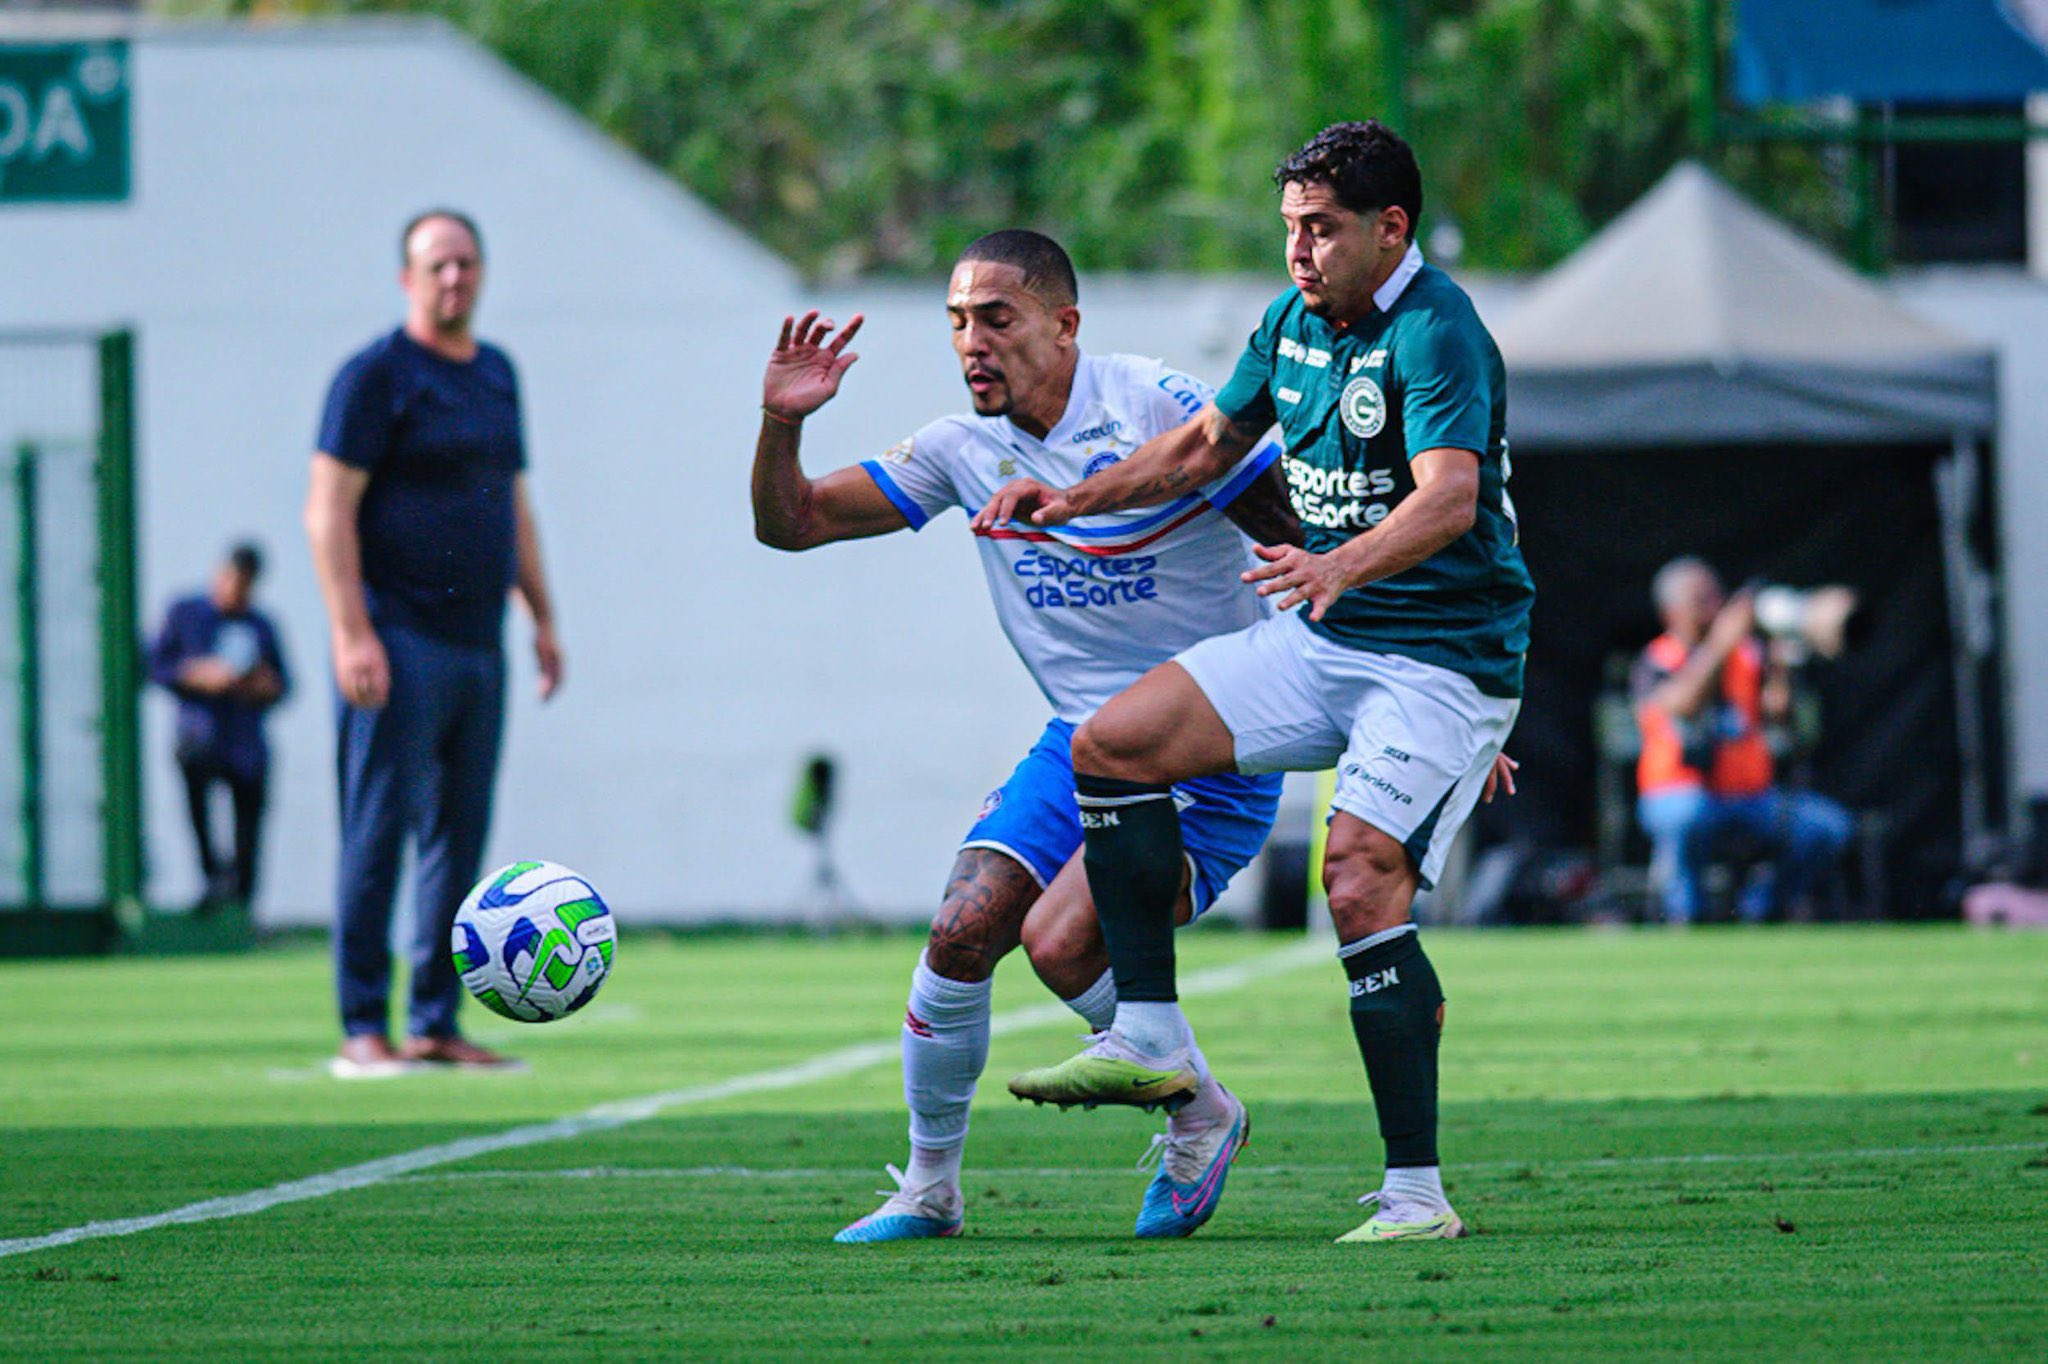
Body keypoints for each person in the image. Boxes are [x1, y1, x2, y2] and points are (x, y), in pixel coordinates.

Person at [980, 122, 1532, 1244]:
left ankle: (1415, 1195)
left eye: (1321, 230)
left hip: (1437, 660)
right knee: (1112, 740)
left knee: (1358, 880)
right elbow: (1199, 446)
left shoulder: (1437, 331)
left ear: (1391, 229)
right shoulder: (1289, 322)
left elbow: (1447, 501)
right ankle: (1144, 1031)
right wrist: (1072, 499)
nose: (1299, 250)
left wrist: (1330, 563)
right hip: (1329, 639)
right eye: (1288, 226)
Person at [752, 229, 1305, 1243]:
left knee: (1059, 943)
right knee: (961, 929)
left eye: (996, 318)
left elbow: (1297, 533)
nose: (972, 342)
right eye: (957, 321)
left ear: (1064, 325)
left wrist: (1404, 674)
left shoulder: (1157, 405)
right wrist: (778, 424)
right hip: (1078, 740)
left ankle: (1199, 1110)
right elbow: (791, 523)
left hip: (1209, 742)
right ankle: (928, 1187)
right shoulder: (960, 449)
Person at [306, 209, 565, 1078]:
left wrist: (542, 617)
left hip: (477, 642)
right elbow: (327, 509)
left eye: (465, 263)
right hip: (398, 636)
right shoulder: (375, 376)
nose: (453, 279)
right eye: (436, 266)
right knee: (377, 832)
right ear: (406, 279)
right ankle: (361, 1029)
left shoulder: (496, 373)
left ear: (482, 272)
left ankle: (433, 1024)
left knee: (458, 838)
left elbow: (514, 505)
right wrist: (352, 631)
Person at [1633, 557, 1852, 924]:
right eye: (1700, 601)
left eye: (1716, 599)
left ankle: (1761, 909)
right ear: (1671, 613)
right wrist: (1720, 645)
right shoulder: (1656, 660)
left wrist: (1781, 666)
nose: (1714, 610)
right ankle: (1688, 916)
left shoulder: (1746, 656)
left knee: (1826, 827)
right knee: (1689, 817)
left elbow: (1783, 723)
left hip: (1749, 797)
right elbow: (1682, 705)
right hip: (1679, 795)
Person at [146, 542, 289, 913]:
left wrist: (262, 686)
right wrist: (197, 674)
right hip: (199, 738)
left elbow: (283, 684)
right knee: (200, 820)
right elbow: (156, 667)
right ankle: (210, 889)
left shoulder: (261, 625)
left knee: (248, 830)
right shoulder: (184, 614)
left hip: (246, 745)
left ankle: (243, 905)